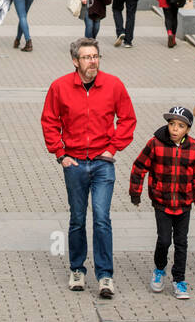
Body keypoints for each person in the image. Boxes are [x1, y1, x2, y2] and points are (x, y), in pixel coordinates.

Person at [41, 37, 137, 297]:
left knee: (102, 218)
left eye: (95, 56)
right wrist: (60, 153)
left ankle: (105, 275)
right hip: (74, 162)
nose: (92, 61)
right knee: (77, 219)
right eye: (87, 57)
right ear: (75, 61)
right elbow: (49, 121)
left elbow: (128, 118)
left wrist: (113, 148)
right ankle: (77, 269)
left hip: (102, 163)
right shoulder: (60, 87)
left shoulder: (113, 85)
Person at [129, 104, 195, 299]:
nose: (175, 129)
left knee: (181, 242)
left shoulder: (194, 148)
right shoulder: (155, 144)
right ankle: (159, 268)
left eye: (180, 126)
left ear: (188, 129)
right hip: (162, 202)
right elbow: (139, 167)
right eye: (172, 124)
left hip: (184, 203)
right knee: (164, 240)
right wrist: (135, 193)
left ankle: (179, 279)